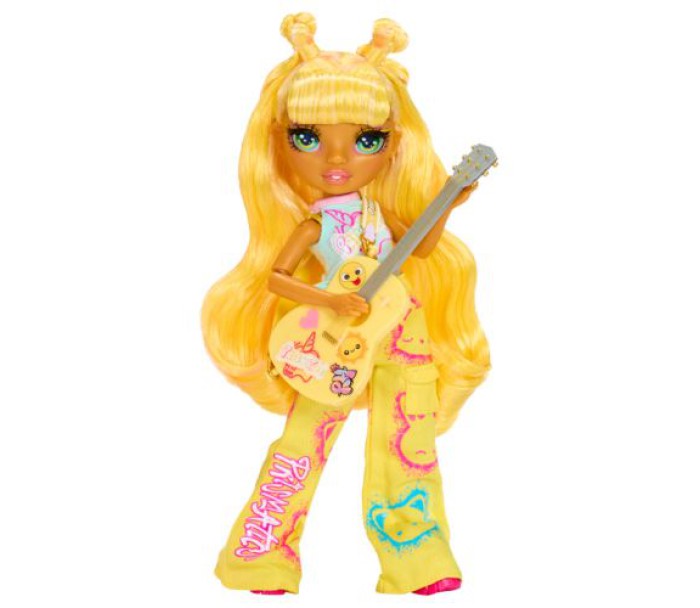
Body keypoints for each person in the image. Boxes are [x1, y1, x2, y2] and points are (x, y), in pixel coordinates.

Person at [201, 12, 490, 595]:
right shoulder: (315, 223)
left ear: (392, 144)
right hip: (334, 332)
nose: (337, 160)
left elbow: (420, 249)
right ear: (279, 143)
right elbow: (279, 279)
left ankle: (418, 556)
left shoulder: (379, 213)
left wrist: (448, 204)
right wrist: (328, 297)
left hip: (403, 328)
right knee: (305, 437)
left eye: (366, 141)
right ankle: (262, 550)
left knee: (408, 441)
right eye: (307, 138)